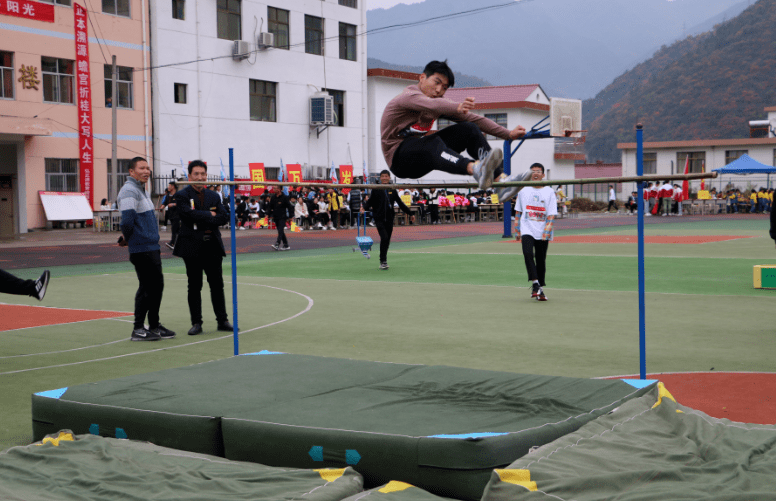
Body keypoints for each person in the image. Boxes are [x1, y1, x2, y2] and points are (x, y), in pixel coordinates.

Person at [380, 60, 526, 195]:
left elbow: (474, 118)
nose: (438, 90)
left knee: (469, 128)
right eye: (436, 83)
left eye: (444, 88)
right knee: (432, 142)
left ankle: (499, 180)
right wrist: (457, 106)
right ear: (422, 77)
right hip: (399, 160)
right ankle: (474, 169)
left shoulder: (439, 102)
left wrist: (508, 133)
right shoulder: (408, 96)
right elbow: (433, 105)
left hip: (424, 158)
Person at [117, 156, 175, 342]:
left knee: (156, 286)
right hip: (141, 248)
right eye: (142, 168)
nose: (146, 171)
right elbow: (127, 220)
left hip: (150, 246)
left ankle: (155, 326)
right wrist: (128, 238)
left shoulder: (141, 190)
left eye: (148, 168)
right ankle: (138, 329)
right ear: (131, 172)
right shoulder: (129, 191)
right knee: (147, 288)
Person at [172, 160, 232, 336]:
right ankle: (196, 322)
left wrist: (205, 217)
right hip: (191, 246)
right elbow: (187, 215)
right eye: (196, 174)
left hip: (212, 244)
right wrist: (209, 215)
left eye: (203, 174)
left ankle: (222, 320)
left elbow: (223, 217)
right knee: (194, 285)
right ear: (189, 176)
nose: (200, 177)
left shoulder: (214, 196)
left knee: (217, 285)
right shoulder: (182, 195)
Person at [514, 163, 557, 302]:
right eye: (533, 171)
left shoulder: (549, 192)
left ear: (543, 175)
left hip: (543, 230)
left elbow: (551, 214)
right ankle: (535, 284)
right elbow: (518, 211)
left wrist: (547, 231)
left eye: (538, 171)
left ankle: (540, 289)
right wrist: (517, 230)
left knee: (540, 260)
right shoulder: (523, 190)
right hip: (527, 228)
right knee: (527, 253)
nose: (535, 174)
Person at [361, 170, 415, 270]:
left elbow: (400, 203)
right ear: (380, 178)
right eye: (383, 176)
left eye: (386, 176)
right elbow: (370, 201)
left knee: (387, 240)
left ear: (389, 178)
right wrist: (364, 207)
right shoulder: (376, 189)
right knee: (384, 238)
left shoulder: (392, 189)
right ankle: (383, 261)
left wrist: (410, 213)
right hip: (379, 218)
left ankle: (384, 260)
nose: (385, 178)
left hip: (390, 218)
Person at [160, 181, 179, 248]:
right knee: (177, 230)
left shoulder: (178, 195)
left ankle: (172, 243)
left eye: (169, 185)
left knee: (174, 229)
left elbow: (181, 203)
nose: (168, 187)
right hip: (171, 215)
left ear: (173, 186)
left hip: (177, 215)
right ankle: (179, 243)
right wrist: (161, 208)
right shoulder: (168, 195)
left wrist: (173, 204)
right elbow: (165, 203)